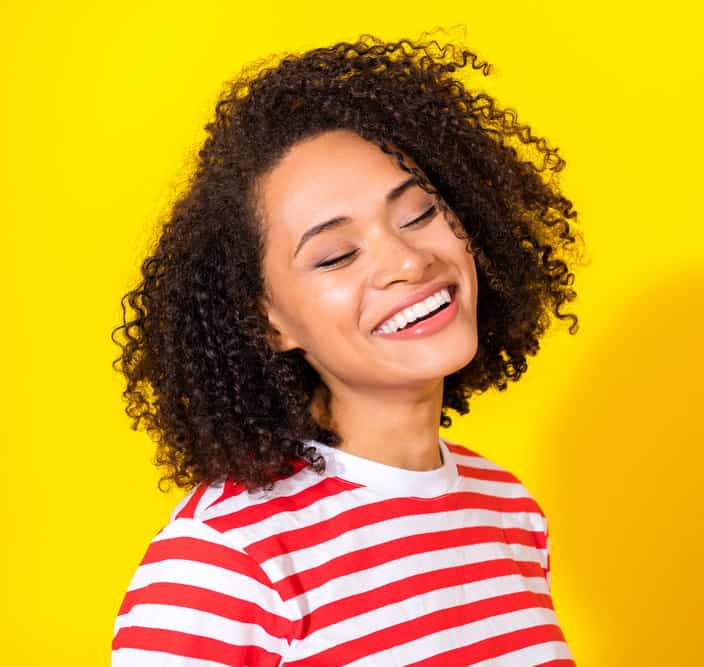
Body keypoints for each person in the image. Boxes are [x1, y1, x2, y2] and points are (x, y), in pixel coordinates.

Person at [110, 33, 584, 666]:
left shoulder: (508, 510)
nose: (410, 261)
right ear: (269, 321)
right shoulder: (227, 561)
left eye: (419, 214)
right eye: (336, 254)